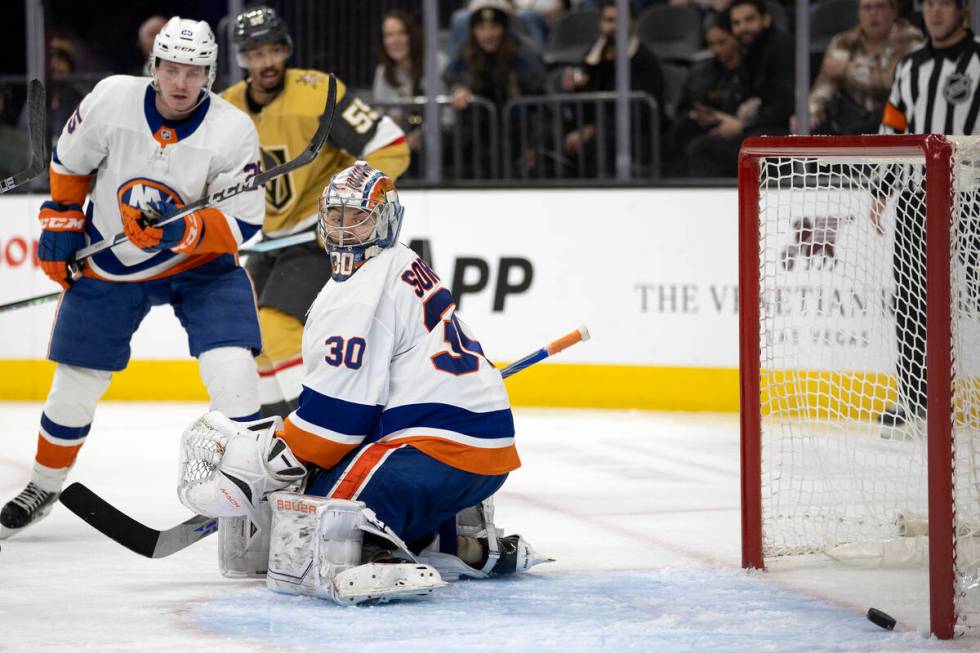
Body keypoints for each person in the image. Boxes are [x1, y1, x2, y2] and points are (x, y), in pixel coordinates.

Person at [177, 162, 547, 603]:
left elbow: (338, 425)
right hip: (487, 458)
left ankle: (379, 555)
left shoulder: (359, 293)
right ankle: (463, 547)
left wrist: (273, 464)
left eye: (360, 216)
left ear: (386, 220)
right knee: (326, 476)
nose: (346, 228)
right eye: (336, 215)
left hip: (434, 454)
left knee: (310, 511)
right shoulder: (403, 262)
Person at [0, 17, 265, 538]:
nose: (181, 82)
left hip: (199, 266)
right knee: (73, 387)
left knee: (234, 375)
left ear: (209, 74)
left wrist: (181, 233)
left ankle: (250, 492)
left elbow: (244, 220)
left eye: (193, 71)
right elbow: (71, 163)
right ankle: (44, 485)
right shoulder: (112, 99)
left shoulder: (234, 130)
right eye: (171, 69)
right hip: (110, 258)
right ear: (154, 67)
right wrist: (60, 220)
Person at [222, 6, 409, 419]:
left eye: (273, 50)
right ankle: (271, 434)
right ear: (242, 59)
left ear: (286, 49)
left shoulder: (319, 91)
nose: (266, 62)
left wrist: (346, 207)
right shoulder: (225, 108)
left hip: (321, 238)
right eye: (255, 54)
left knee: (277, 327)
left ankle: (315, 431)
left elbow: (391, 145)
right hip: (272, 240)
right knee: (250, 337)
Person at [874, 0, 980, 429]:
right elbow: (892, 126)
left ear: (963, 12)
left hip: (975, 194)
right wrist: (882, 187)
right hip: (919, 197)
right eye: (929, 4)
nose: (935, 12)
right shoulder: (909, 66)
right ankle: (915, 400)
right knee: (912, 298)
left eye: (944, 4)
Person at [682, 0, 794, 177]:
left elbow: (786, 106)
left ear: (766, 20)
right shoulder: (751, 51)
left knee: (703, 148)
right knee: (689, 130)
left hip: (781, 132)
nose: (743, 28)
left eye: (749, 20)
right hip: (758, 127)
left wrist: (742, 125)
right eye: (737, 23)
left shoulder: (782, 49)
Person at [559, 0, 665, 177]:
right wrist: (572, 90)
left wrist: (595, 129)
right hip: (593, 129)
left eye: (619, 20)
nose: (614, 26)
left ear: (633, 22)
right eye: (608, 20)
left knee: (597, 145)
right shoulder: (591, 57)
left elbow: (640, 112)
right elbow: (582, 106)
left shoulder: (644, 60)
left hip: (633, 135)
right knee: (551, 137)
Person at [444, 0, 547, 176]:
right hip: (477, 141)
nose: (488, 34)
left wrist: (534, 146)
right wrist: (458, 88)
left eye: (494, 27)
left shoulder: (523, 55)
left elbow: (540, 104)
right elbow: (450, 75)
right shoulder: (466, 52)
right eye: (481, 28)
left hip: (517, 139)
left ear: (504, 29)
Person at [792, 0, 923, 135]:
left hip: (895, 125)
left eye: (880, 6)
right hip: (849, 123)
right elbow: (825, 85)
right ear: (859, 13)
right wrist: (809, 113)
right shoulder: (843, 41)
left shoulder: (911, 39)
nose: (873, 13)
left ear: (893, 12)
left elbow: (894, 80)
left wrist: (847, 71)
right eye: (867, 8)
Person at [666, 12, 749, 176]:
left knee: (700, 147)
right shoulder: (703, 72)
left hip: (740, 130)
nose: (716, 49)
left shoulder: (751, 68)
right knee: (680, 131)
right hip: (708, 128)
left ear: (735, 38)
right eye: (711, 44)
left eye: (722, 42)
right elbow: (686, 104)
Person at [372, 9, 446, 178]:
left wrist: (420, 135)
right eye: (389, 35)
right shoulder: (383, 72)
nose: (395, 40)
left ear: (412, 36)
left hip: (440, 146)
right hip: (400, 147)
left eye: (401, 33)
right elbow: (378, 116)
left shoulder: (436, 63)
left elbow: (447, 115)